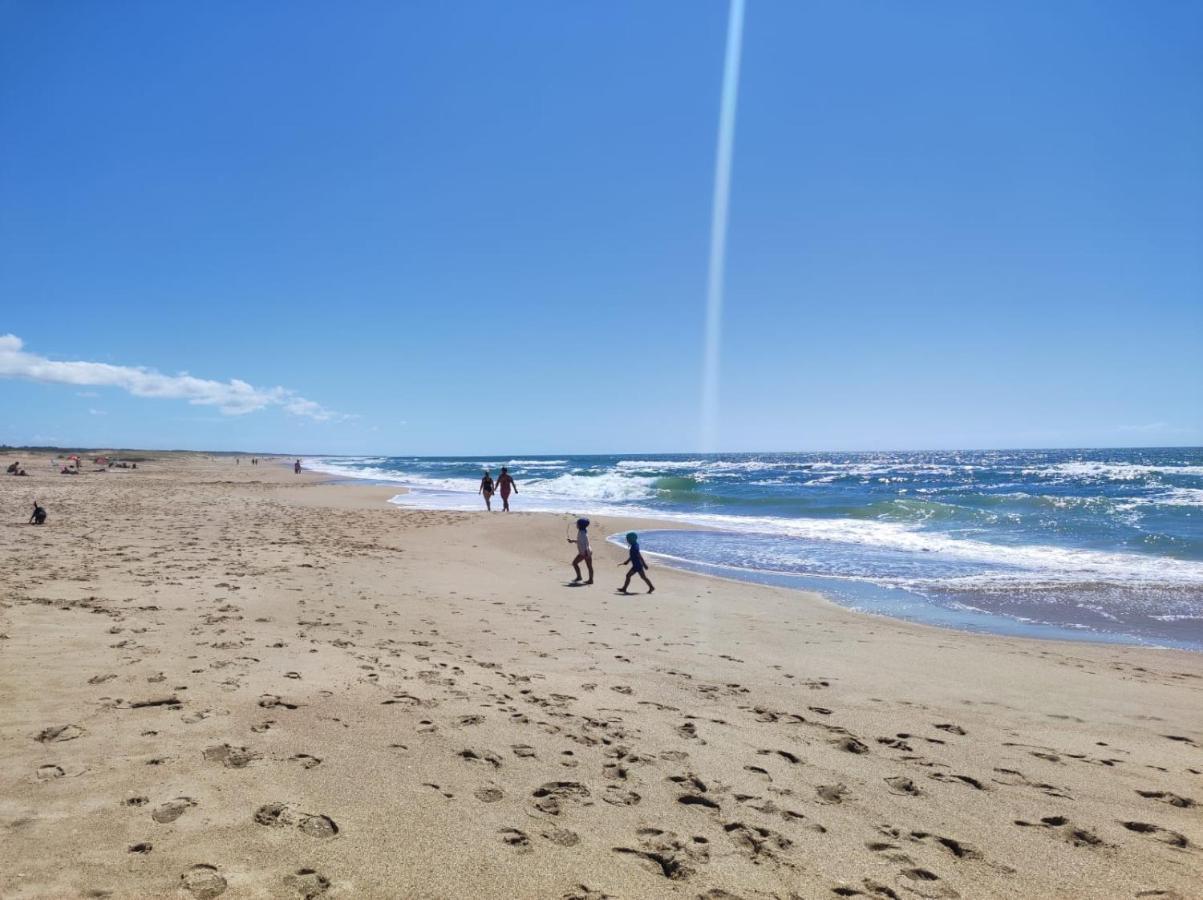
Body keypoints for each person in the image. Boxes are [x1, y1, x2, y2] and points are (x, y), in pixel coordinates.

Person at [568, 518, 594, 584]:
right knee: (589, 566)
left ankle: (581, 577)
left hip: (585, 552)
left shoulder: (582, 533)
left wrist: (585, 554)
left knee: (575, 563)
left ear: (580, 525)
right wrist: (573, 541)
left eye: (577, 524)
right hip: (586, 551)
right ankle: (590, 580)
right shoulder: (583, 531)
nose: (576, 525)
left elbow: (584, 543)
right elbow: (580, 541)